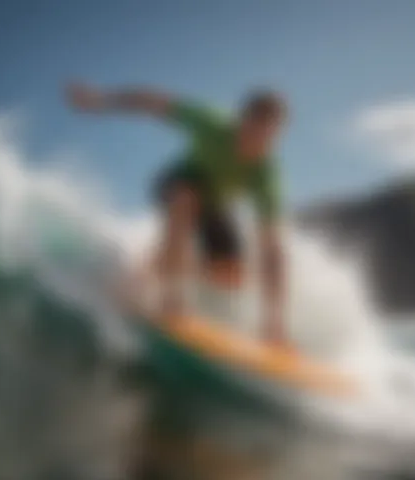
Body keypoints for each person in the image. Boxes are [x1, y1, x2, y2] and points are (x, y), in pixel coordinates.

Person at [66, 83, 287, 342]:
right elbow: (152, 102)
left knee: (231, 277)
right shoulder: (211, 123)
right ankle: (171, 297)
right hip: (179, 182)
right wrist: (101, 100)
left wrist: (274, 323)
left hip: (213, 206)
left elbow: (272, 249)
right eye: (253, 131)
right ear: (242, 121)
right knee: (186, 199)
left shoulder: (266, 173)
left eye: (267, 137)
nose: (256, 144)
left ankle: (151, 267)